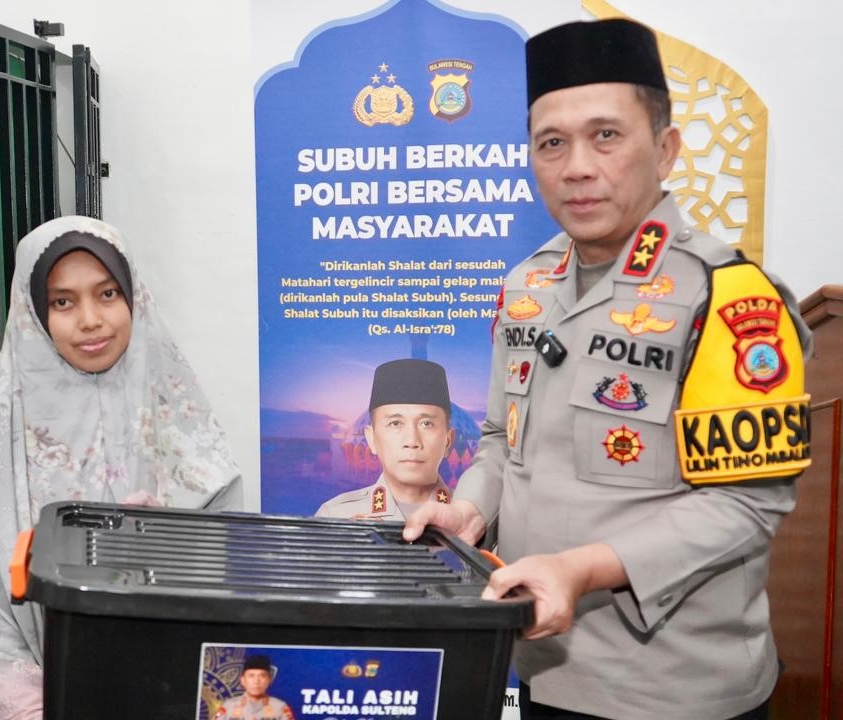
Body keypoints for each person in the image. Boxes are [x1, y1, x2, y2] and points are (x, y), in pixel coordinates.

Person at [403, 18, 811, 720]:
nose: (577, 167)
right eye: (551, 143)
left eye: (606, 135)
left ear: (666, 149)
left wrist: (581, 569)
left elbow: (747, 501)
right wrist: (471, 507)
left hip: (675, 689)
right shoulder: (526, 286)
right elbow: (502, 441)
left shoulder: (727, 295)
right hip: (538, 665)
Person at [0, 216, 242, 719]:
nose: (90, 320)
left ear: (133, 296)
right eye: (63, 302)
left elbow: (225, 578)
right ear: (33, 312)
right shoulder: (0, 425)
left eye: (107, 294)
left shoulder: (176, 409)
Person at [316, 359, 453, 520]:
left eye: (426, 424)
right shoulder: (335, 515)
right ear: (371, 439)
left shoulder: (474, 517)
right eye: (395, 423)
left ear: (448, 441)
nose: (411, 441)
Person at [214, 655, 295, 720]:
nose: (256, 681)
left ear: (269, 680)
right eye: (251, 676)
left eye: (262, 676)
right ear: (242, 680)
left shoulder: (280, 708)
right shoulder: (228, 707)